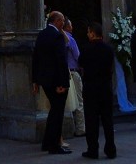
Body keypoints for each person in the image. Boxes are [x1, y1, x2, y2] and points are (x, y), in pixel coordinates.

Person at [33, 11, 72, 155]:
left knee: (54, 111)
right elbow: (61, 61)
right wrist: (63, 83)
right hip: (57, 81)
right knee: (58, 113)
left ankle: (47, 142)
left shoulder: (42, 34)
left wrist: (35, 80)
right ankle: (54, 145)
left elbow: (36, 57)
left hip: (45, 80)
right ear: (56, 21)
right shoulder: (57, 36)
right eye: (62, 20)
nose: (63, 23)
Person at [77, 22, 117, 160]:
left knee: (91, 121)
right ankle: (111, 149)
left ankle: (93, 149)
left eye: (88, 32)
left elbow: (80, 62)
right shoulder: (108, 49)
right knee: (108, 120)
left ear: (93, 33)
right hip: (105, 88)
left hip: (91, 88)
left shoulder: (87, 49)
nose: (87, 34)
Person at [63, 19, 86, 137]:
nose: (72, 28)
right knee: (79, 101)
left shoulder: (59, 39)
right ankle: (80, 128)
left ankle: (68, 127)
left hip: (63, 73)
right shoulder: (70, 39)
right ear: (66, 27)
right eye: (70, 26)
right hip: (73, 72)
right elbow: (78, 56)